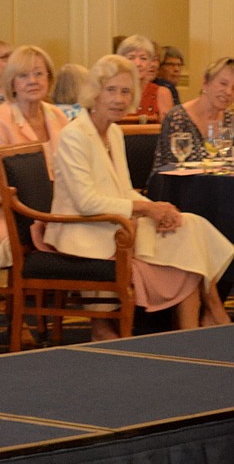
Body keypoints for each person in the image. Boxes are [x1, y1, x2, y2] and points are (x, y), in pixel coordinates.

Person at [49, 55, 232, 339]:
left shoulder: (114, 133)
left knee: (189, 225)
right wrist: (147, 210)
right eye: (111, 90)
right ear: (95, 92)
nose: (119, 99)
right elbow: (86, 203)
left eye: (125, 92)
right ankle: (205, 323)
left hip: (116, 222)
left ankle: (194, 329)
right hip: (84, 227)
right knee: (187, 248)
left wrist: (158, 207)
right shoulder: (74, 136)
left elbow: (123, 189)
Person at [0, 45, 68, 278]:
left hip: (58, 205)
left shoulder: (57, 115)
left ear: (49, 78)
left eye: (38, 74)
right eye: (23, 76)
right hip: (10, 211)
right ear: (11, 82)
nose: (32, 81)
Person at [152, 57, 234, 174]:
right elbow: (169, 168)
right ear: (205, 83)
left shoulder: (230, 120)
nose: (228, 92)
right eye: (223, 84)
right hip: (180, 187)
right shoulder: (178, 118)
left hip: (222, 187)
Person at [116, 35, 173, 122]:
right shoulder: (112, 92)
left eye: (143, 58)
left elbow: (168, 130)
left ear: (150, 63)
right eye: (131, 58)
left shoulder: (162, 93)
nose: (138, 63)